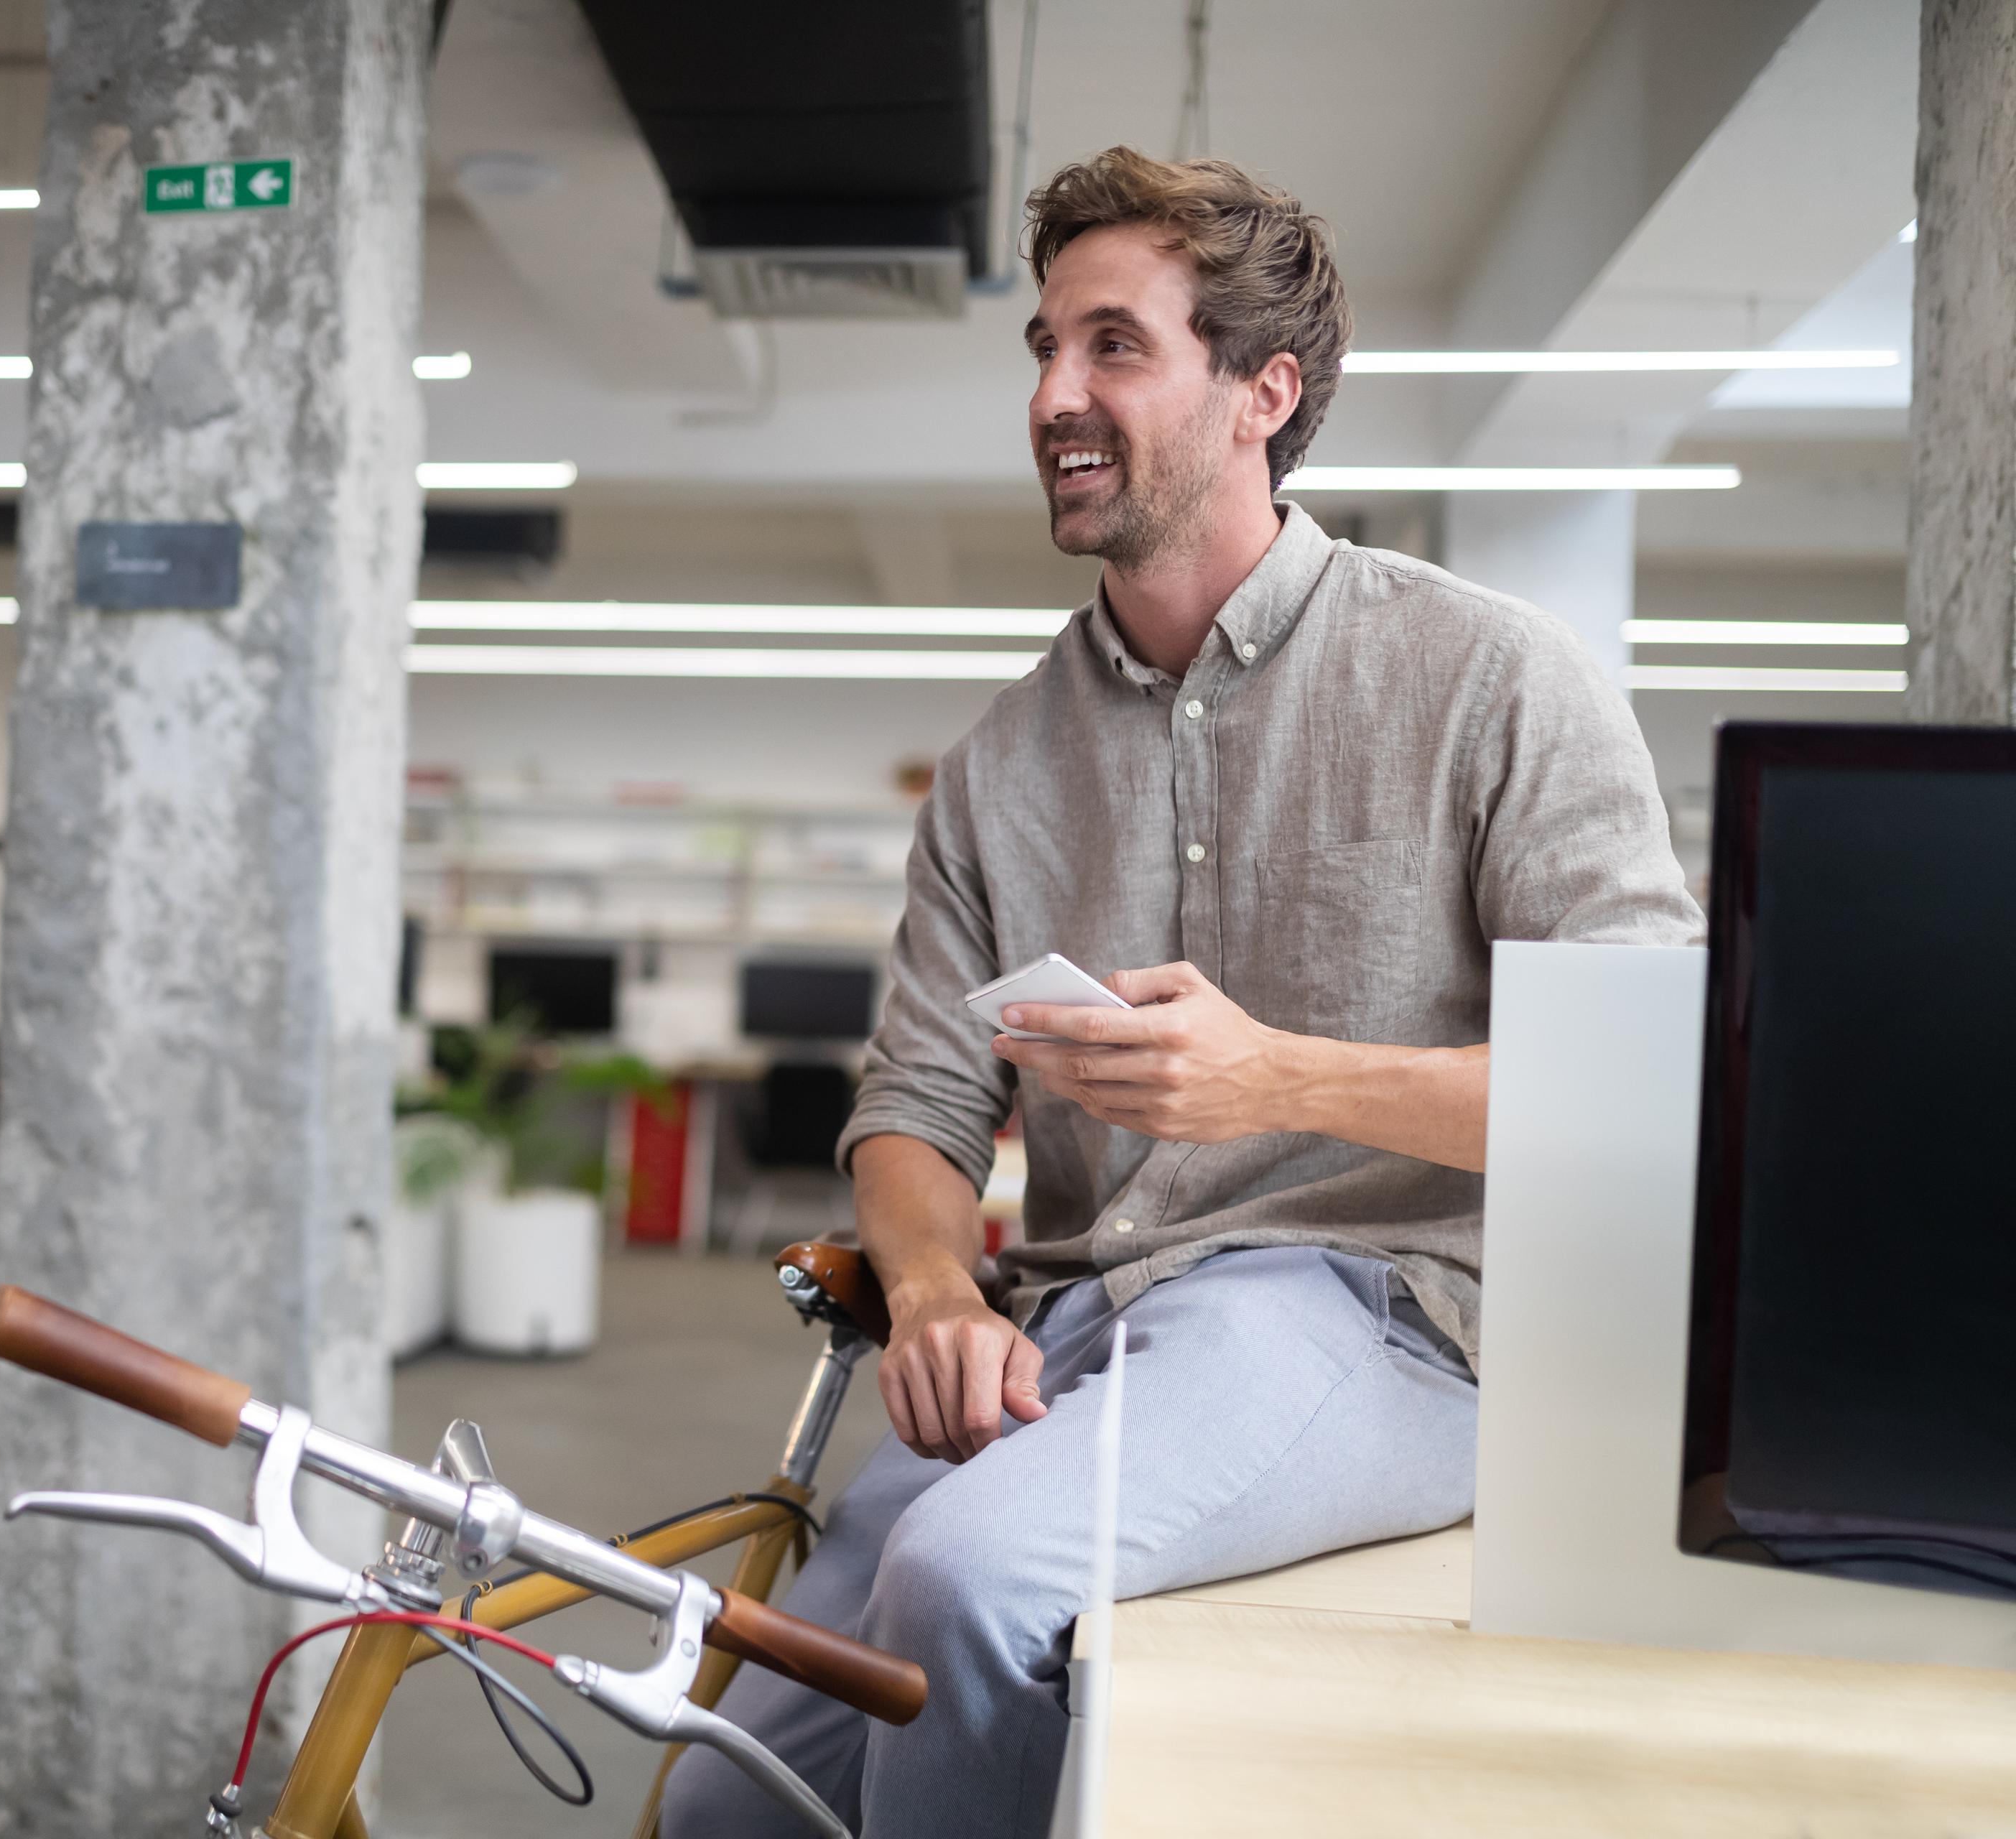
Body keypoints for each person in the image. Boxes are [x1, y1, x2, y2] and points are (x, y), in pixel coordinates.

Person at [659, 148, 1701, 1838]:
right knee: (733, 1795)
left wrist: (1275, 1076)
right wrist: (932, 1294)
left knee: (967, 1585)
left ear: (1259, 393)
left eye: (1113, 346)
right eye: (1042, 349)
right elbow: (918, 1101)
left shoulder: (1489, 678)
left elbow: (1643, 1088)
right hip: (1073, 1326)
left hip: (1381, 1313)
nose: (1054, 394)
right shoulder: (1003, 759)